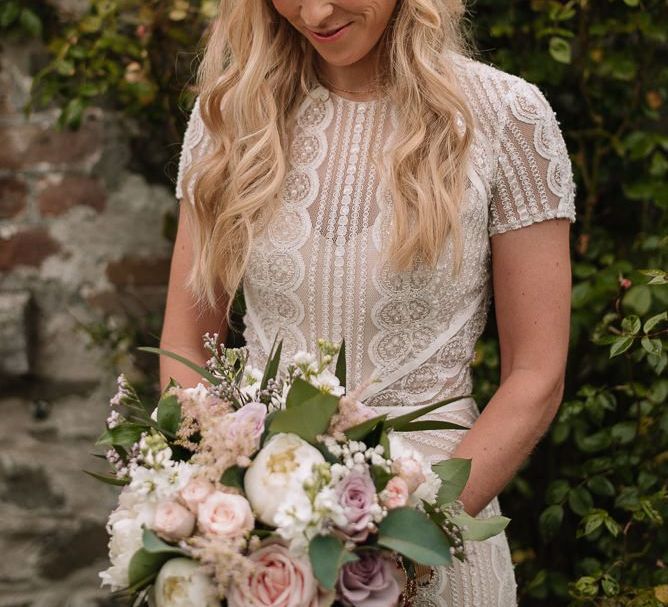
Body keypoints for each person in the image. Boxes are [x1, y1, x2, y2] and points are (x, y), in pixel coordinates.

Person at [159, 1, 577, 604]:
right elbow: (185, 343)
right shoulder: (232, 115)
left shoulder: (506, 119)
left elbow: (536, 375)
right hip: (260, 553)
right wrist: (222, 492)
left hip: (434, 536)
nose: (315, 11)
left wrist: (406, 536)